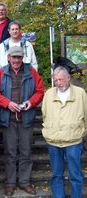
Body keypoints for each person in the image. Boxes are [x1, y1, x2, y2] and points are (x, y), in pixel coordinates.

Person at [0, 46, 44, 196]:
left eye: (19, 57)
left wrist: (31, 102)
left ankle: (25, 182)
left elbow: (40, 90)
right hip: (8, 119)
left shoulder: (31, 71)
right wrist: (7, 103)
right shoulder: (1, 72)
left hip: (26, 118)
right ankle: (10, 183)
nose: (16, 60)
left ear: (23, 58)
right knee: (10, 153)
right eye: (14, 57)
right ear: (8, 57)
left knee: (26, 151)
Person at [42, 66, 87, 197]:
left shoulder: (80, 93)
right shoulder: (49, 93)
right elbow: (44, 113)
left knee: (75, 174)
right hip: (53, 141)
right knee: (56, 175)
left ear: (68, 78)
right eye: (55, 80)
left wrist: (82, 131)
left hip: (73, 140)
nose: (58, 83)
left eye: (61, 79)